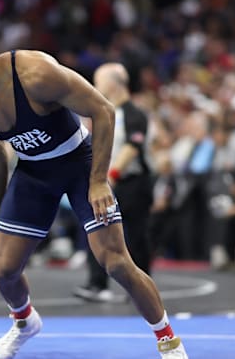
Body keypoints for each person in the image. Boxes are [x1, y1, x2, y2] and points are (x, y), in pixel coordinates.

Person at [0, 10, 187, 359]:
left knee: (116, 262)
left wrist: (98, 182)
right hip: (34, 174)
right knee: (4, 270)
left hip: (78, 164)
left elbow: (104, 110)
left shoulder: (35, 72)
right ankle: (25, 321)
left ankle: (169, 342)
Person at [73, 63, 154, 302]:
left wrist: (112, 174)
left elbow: (133, 147)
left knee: (136, 235)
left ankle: (141, 288)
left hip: (132, 183)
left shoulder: (133, 113)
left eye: (99, 81)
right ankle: (97, 284)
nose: (95, 87)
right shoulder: (102, 114)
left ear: (112, 83)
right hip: (105, 182)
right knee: (96, 229)